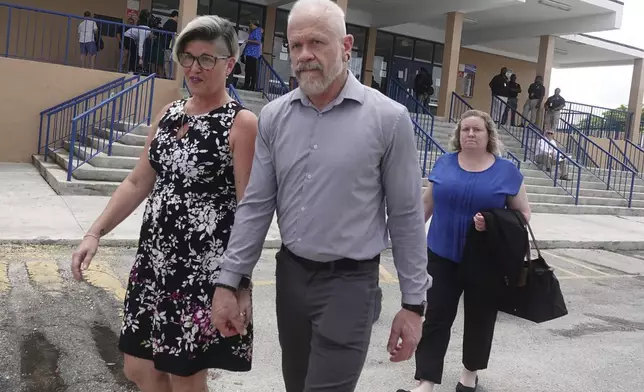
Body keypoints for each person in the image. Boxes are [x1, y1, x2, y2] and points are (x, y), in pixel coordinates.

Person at [210, 1, 431, 391]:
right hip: (290, 278)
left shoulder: (389, 119)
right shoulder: (274, 117)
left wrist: (414, 305)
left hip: (350, 286)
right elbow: (257, 205)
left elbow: (406, 216)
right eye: (295, 45)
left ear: (347, 46)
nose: (304, 55)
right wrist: (230, 281)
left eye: (316, 42)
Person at [71, 15, 258, 391]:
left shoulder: (242, 124)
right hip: (153, 265)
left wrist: (239, 284)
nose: (194, 67)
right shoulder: (169, 115)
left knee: (184, 376)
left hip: (202, 275)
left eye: (207, 59)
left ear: (230, 64)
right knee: (139, 369)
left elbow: (249, 210)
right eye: (187, 57)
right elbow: (139, 180)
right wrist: (95, 232)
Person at [397, 110, 531, 392]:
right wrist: (403, 236)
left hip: (486, 260)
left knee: (480, 318)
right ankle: (427, 380)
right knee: (436, 317)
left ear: (489, 135)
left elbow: (523, 215)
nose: (470, 134)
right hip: (441, 256)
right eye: (465, 129)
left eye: (477, 130)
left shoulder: (507, 171)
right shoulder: (444, 164)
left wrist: (492, 222)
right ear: (458, 135)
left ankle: (469, 375)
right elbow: (426, 205)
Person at [241, 19, 263, 91]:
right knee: (247, 70)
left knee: (252, 71)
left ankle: (251, 85)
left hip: (253, 54)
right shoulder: (253, 32)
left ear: (254, 24)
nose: (249, 26)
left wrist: (248, 41)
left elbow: (257, 42)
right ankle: (246, 84)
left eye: (250, 25)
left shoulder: (257, 31)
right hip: (249, 53)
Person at [162, 10, 179, 78]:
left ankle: (167, 75)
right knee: (169, 61)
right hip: (169, 45)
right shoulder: (173, 23)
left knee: (166, 61)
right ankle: (169, 76)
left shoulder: (166, 23)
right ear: (176, 16)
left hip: (164, 44)